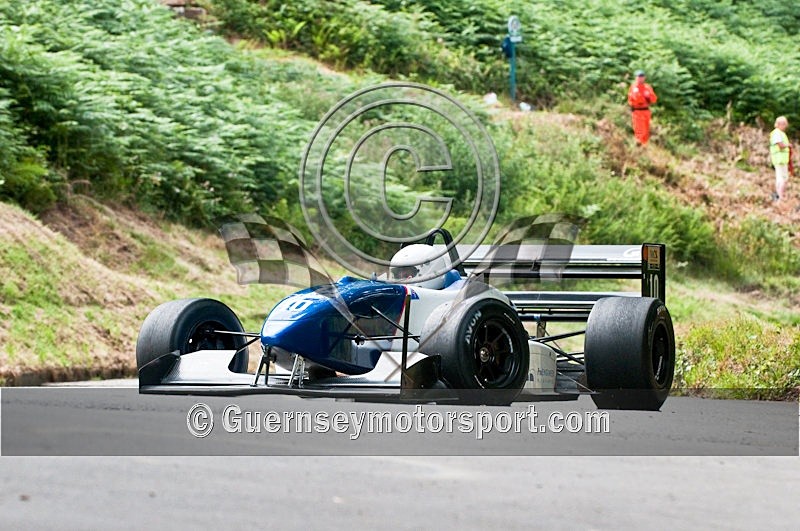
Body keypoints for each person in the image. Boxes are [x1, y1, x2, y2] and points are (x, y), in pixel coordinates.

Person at [627, 70, 657, 145]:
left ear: (644, 78)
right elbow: (634, 99)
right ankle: (638, 147)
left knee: (646, 130)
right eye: (638, 77)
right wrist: (643, 98)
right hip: (637, 111)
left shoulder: (647, 87)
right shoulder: (633, 88)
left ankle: (645, 146)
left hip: (646, 111)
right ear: (636, 78)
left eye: (642, 77)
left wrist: (648, 97)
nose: (640, 78)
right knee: (639, 130)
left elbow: (654, 99)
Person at [769, 116, 790, 201]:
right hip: (779, 158)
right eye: (784, 124)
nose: (785, 126)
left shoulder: (780, 133)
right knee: (781, 179)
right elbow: (780, 145)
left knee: (783, 178)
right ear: (779, 124)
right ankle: (779, 197)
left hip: (782, 159)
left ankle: (780, 196)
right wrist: (788, 145)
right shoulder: (777, 133)